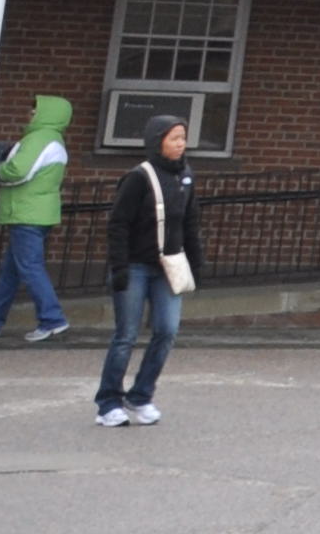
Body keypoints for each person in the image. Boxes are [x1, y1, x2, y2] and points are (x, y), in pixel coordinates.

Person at [94, 115, 195, 426]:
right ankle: (108, 402)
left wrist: (196, 263)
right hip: (136, 265)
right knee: (126, 335)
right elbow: (118, 224)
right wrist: (119, 267)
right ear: (157, 141)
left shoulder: (185, 176)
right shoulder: (138, 177)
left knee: (166, 331)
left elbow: (190, 222)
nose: (181, 144)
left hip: (168, 266)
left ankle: (140, 396)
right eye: (174, 138)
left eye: (183, 137)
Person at [0, 94, 74, 342]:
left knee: (29, 267)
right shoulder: (53, 139)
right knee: (11, 273)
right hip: (36, 213)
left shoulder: (39, 138)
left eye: (36, 111)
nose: (31, 114)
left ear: (47, 114)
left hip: (26, 212)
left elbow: (17, 171)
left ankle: (52, 320)